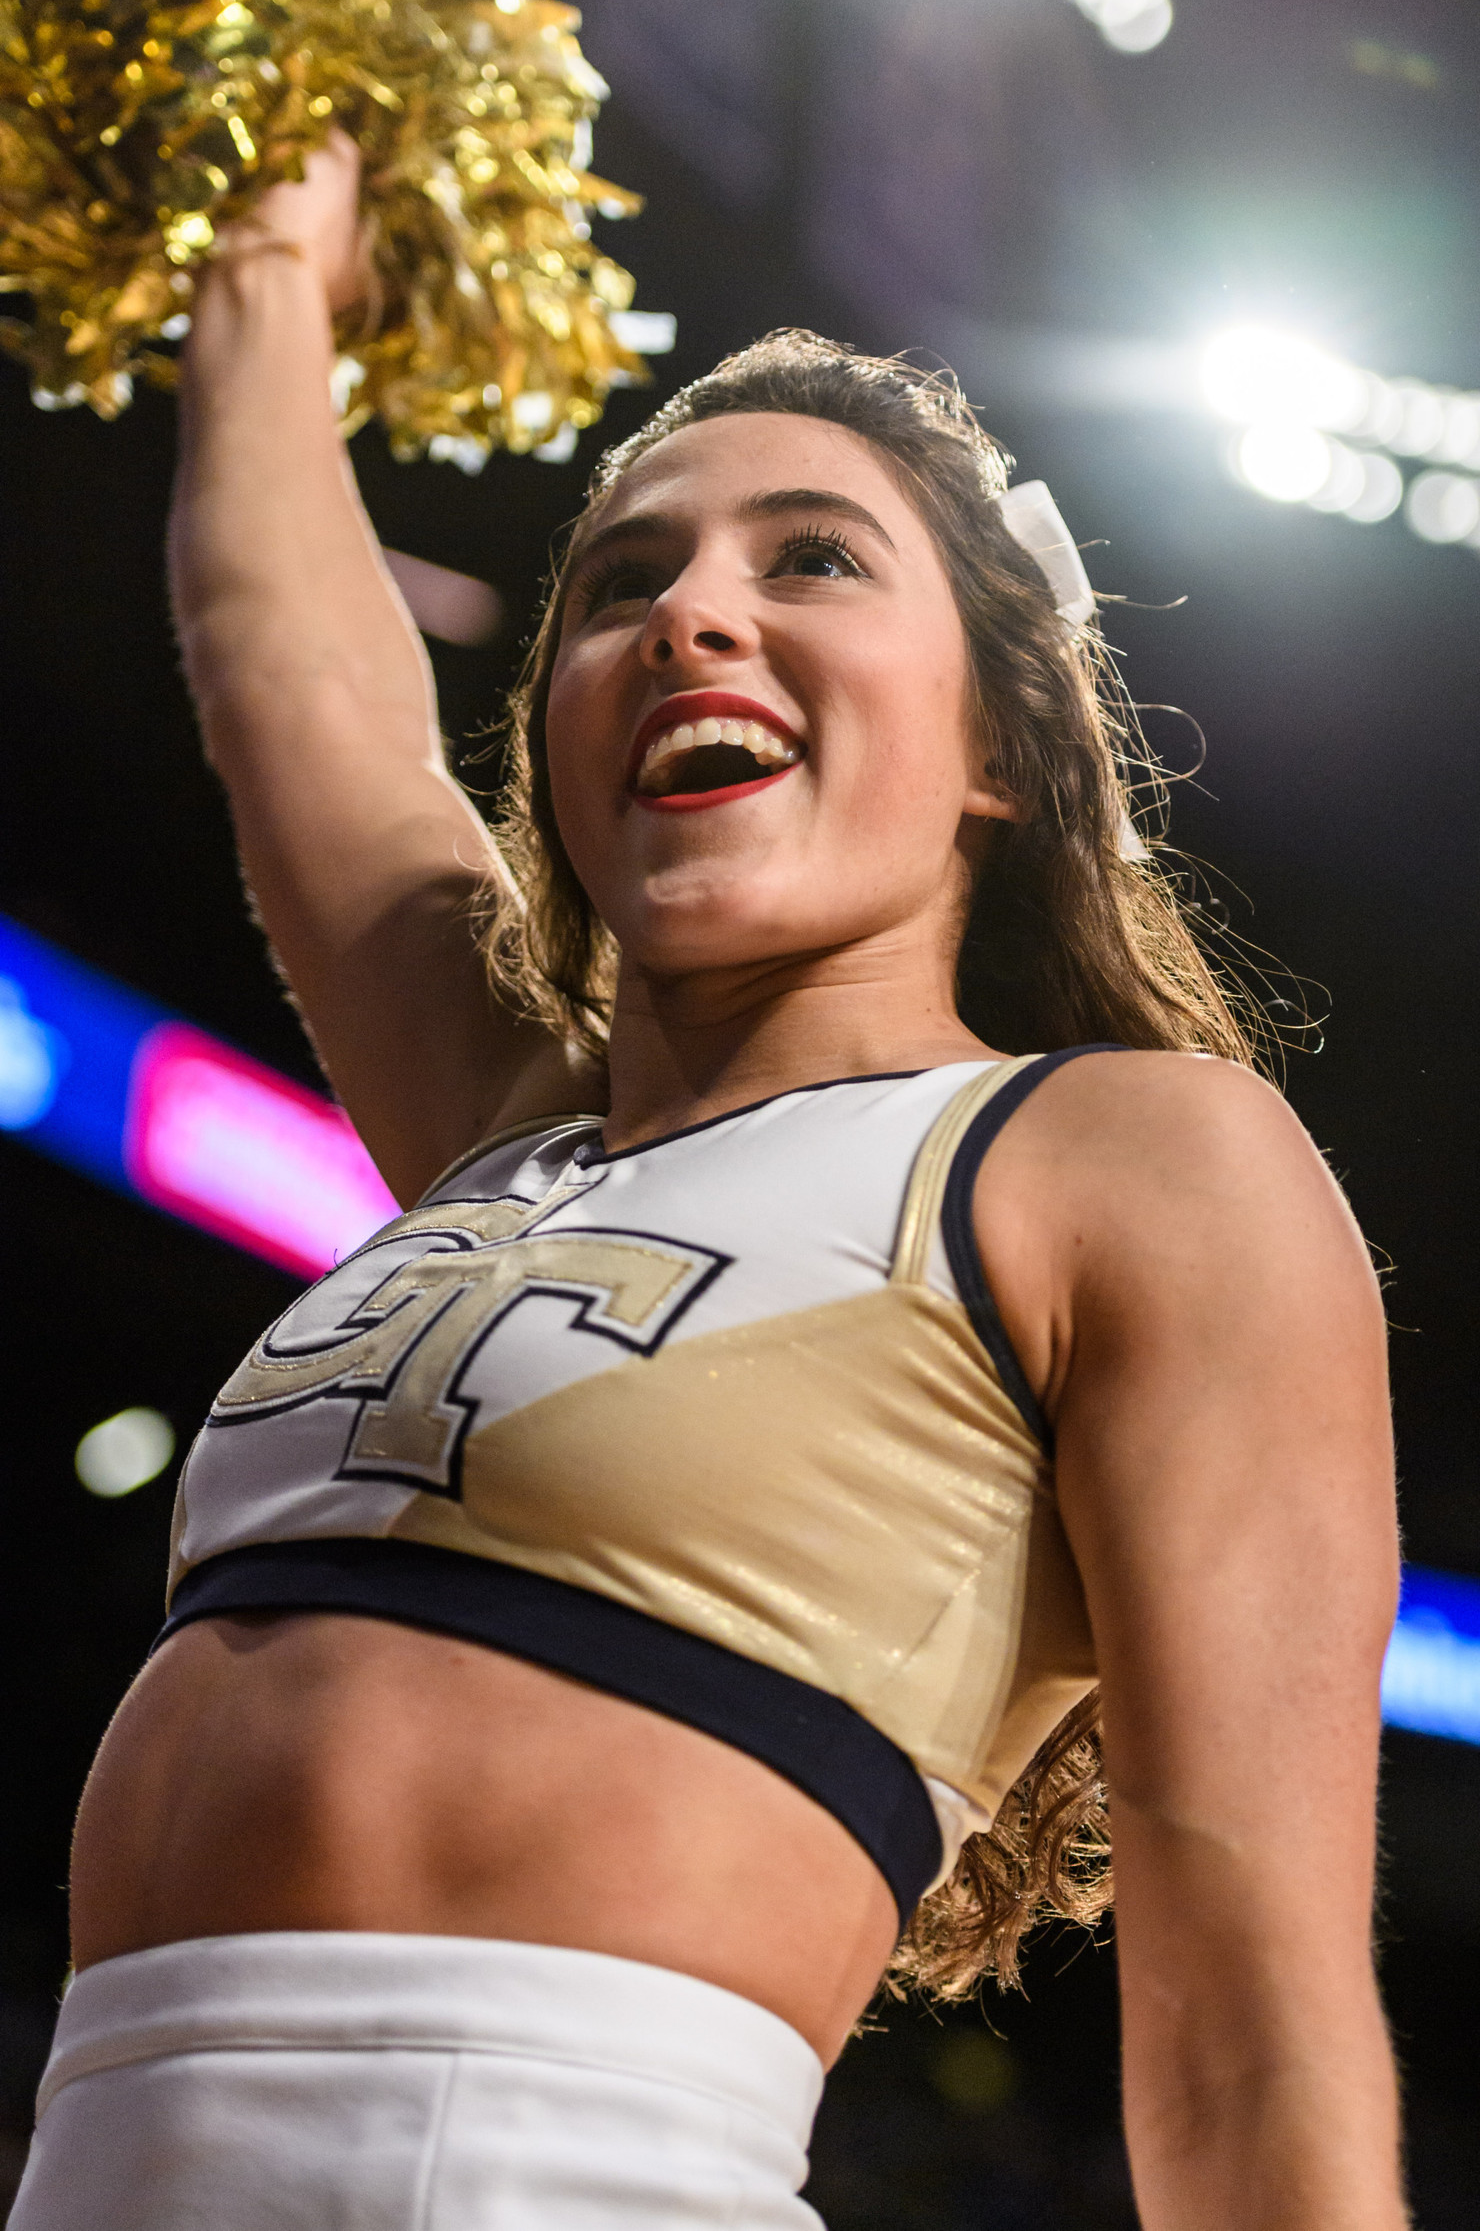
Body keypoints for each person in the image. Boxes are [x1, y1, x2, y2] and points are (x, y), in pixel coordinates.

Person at [14, 132, 1407, 2231]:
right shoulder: (512, 1131)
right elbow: (298, 678)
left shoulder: (1127, 1156)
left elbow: (1245, 2035)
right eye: (618, 582)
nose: (691, 615)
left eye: (813, 558)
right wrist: (270, 266)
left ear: (996, 750)